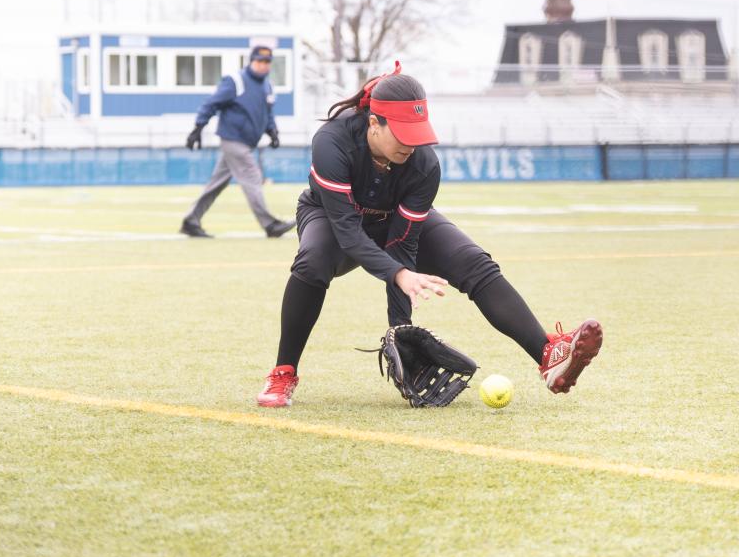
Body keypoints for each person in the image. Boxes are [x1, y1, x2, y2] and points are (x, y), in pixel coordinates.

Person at [256, 63, 603, 407]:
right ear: (375, 122)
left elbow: (402, 242)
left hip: (392, 219)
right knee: (313, 261)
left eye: (418, 132)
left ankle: (548, 355)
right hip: (332, 218)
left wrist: (400, 328)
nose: (412, 144)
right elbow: (347, 231)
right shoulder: (332, 141)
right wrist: (398, 274)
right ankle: (283, 372)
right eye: (404, 133)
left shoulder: (424, 165)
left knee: (474, 262)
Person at [180, 45, 296, 239]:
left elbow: (267, 113)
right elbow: (211, 103)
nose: (263, 66)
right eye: (259, 61)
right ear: (251, 61)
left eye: (267, 62)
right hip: (233, 139)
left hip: (247, 142)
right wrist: (198, 128)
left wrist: (272, 131)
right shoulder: (235, 81)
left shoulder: (267, 86)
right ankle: (270, 224)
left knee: (216, 184)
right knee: (252, 176)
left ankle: (191, 221)